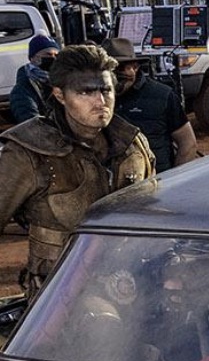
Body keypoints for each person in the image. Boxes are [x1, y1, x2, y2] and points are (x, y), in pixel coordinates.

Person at [0, 43, 155, 296]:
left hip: (129, 283)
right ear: (60, 95)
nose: (101, 101)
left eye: (106, 90)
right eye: (86, 92)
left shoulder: (132, 144)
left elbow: (151, 216)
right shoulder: (29, 151)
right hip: (60, 296)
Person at [107, 39, 196, 170]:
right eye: (109, 69)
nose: (115, 76)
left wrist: (173, 181)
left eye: (120, 68)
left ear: (135, 67)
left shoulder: (162, 96)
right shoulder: (95, 99)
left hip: (156, 182)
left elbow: (188, 144)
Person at [9, 35, 58, 123]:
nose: (53, 58)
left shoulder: (60, 81)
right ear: (33, 58)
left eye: (56, 55)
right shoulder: (22, 89)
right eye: (48, 54)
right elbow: (31, 121)